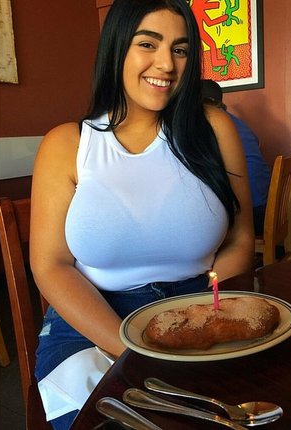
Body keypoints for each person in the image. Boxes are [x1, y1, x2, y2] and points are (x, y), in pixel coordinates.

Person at [30, 1, 255, 428]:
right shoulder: (66, 144)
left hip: (196, 308)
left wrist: (202, 320)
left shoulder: (214, 130)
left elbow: (241, 239)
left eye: (180, 49)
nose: (167, 64)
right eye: (148, 44)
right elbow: (51, 265)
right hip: (91, 318)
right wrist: (135, 348)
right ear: (117, 48)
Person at [201, 79, 271, 236]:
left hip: (249, 213)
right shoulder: (236, 122)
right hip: (265, 205)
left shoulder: (210, 126)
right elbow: (257, 142)